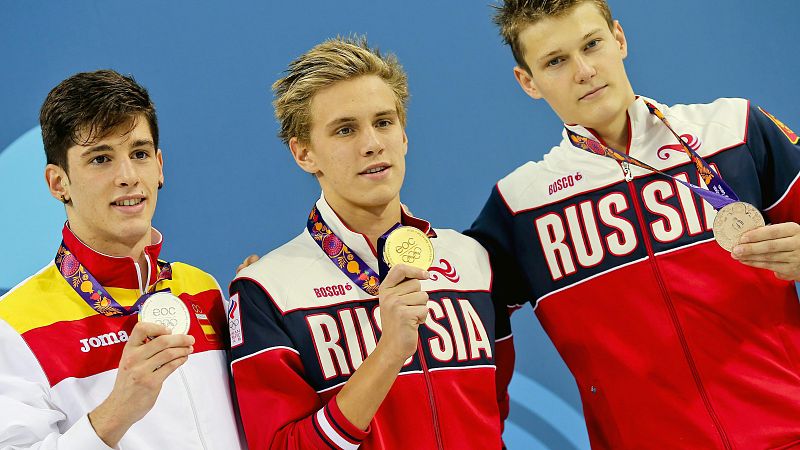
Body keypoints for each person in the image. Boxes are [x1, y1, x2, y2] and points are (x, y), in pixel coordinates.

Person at [466, 1, 800, 448]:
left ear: (619, 39)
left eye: (592, 44)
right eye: (556, 61)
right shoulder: (520, 207)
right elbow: (461, 339)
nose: (584, 70)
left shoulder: (734, 130)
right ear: (528, 82)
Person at [229, 36, 511, 449]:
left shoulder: (472, 261)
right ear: (304, 153)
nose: (372, 144)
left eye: (383, 122)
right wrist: (388, 353)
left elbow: (493, 410)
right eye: (345, 130)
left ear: (404, 136)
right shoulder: (267, 290)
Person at [0, 70, 242, 449]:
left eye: (140, 154)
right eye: (100, 159)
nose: (128, 176)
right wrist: (118, 410)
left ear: (159, 166)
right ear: (57, 182)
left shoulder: (204, 289)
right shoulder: (13, 326)